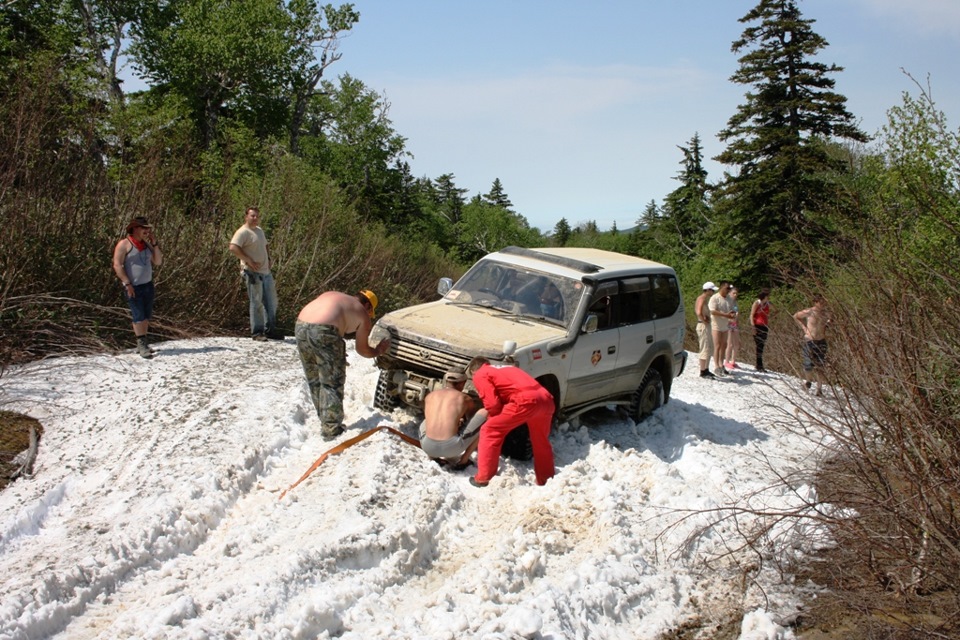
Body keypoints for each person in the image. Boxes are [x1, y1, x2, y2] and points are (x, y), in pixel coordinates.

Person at [295, 290, 391, 439]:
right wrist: (378, 350)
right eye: (370, 311)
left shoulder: (335, 295)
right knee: (332, 381)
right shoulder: (362, 313)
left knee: (314, 379)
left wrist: (335, 351)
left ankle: (325, 420)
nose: (369, 314)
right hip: (325, 330)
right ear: (367, 305)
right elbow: (362, 350)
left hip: (300, 325)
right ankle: (331, 429)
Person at [465, 356, 555, 487]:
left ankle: (484, 478)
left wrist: (493, 418)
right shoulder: (507, 368)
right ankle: (547, 479)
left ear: (473, 371)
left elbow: (492, 404)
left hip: (525, 401)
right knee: (541, 441)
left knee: (490, 430)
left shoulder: (480, 374)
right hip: (546, 399)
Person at [112, 216, 163, 359]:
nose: (147, 231)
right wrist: (126, 283)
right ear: (134, 228)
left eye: (148, 229)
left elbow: (158, 261)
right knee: (138, 315)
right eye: (144, 228)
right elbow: (117, 264)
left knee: (146, 315)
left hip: (147, 285)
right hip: (133, 286)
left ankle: (144, 342)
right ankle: (141, 343)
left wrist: (155, 244)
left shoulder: (147, 245)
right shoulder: (124, 244)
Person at [419, 370, 488, 468]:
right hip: (452, 448)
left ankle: (433, 456)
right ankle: (463, 461)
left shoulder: (430, 396)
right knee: (485, 413)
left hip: (427, 447)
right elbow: (470, 419)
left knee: (427, 421)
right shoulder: (464, 398)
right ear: (462, 383)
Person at [229, 207, 278, 341]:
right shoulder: (243, 232)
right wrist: (248, 260)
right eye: (252, 216)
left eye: (257, 216)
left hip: (265, 271)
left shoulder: (259, 230)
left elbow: (265, 245)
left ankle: (271, 330)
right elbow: (233, 247)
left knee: (271, 301)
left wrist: (268, 258)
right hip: (252, 273)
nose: (255, 218)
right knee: (256, 302)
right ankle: (257, 332)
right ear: (246, 217)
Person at [794, 295, 830, 396]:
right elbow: (796, 316)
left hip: (821, 340)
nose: (823, 304)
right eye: (821, 302)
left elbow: (832, 319)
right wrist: (804, 328)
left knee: (821, 365)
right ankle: (808, 381)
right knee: (808, 364)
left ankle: (819, 389)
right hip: (810, 340)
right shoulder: (809, 312)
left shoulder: (825, 313)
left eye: (824, 302)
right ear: (816, 302)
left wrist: (828, 324)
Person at [709, 281, 737, 376]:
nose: (728, 290)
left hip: (725, 325)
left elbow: (733, 309)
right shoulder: (715, 298)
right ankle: (716, 366)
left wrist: (732, 314)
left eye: (729, 288)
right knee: (717, 345)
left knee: (724, 345)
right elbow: (713, 311)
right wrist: (725, 315)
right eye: (727, 288)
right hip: (716, 325)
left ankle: (721, 365)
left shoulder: (729, 298)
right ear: (722, 288)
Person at [695, 282, 717, 379]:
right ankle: (703, 371)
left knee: (708, 347)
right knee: (704, 347)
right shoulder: (702, 298)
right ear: (707, 290)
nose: (712, 292)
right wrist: (704, 320)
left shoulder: (702, 298)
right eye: (712, 290)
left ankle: (706, 369)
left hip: (705, 325)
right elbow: (699, 312)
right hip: (703, 326)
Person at [750, 289, 773, 372]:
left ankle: (759, 364)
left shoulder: (768, 304)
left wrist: (770, 316)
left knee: (762, 345)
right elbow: (752, 315)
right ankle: (759, 364)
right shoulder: (757, 303)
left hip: (765, 325)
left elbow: (776, 310)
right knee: (758, 345)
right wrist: (753, 327)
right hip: (757, 325)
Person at [724, 286, 741, 369]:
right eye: (733, 293)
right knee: (729, 344)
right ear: (729, 293)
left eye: (736, 293)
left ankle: (733, 360)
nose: (735, 295)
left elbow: (737, 313)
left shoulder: (735, 303)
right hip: (728, 324)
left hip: (735, 324)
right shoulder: (727, 302)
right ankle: (727, 361)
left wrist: (737, 321)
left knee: (736, 343)